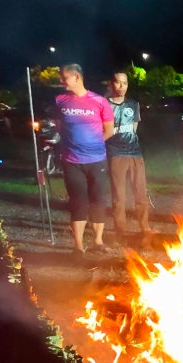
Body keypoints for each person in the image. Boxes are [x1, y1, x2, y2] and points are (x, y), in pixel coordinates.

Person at [56, 63, 115, 257]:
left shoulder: (99, 101)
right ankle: (78, 246)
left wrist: (93, 145)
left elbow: (109, 129)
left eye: (65, 78)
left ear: (77, 78)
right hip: (72, 161)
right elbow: (59, 127)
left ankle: (98, 241)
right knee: (78, 202)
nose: (62, 81)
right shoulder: (60, 101)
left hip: (97, 160)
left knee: (98, 200)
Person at [107, 71, 154, 246]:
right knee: (119, 197)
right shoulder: (104, 105)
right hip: (116, 154)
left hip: (135, 153)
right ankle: (120, 232)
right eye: (118, 83)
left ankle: (145, 227)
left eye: (125, 83)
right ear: (111, 84)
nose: (122, 87)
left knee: (140, 193)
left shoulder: (134, 104)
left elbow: (133, 128)